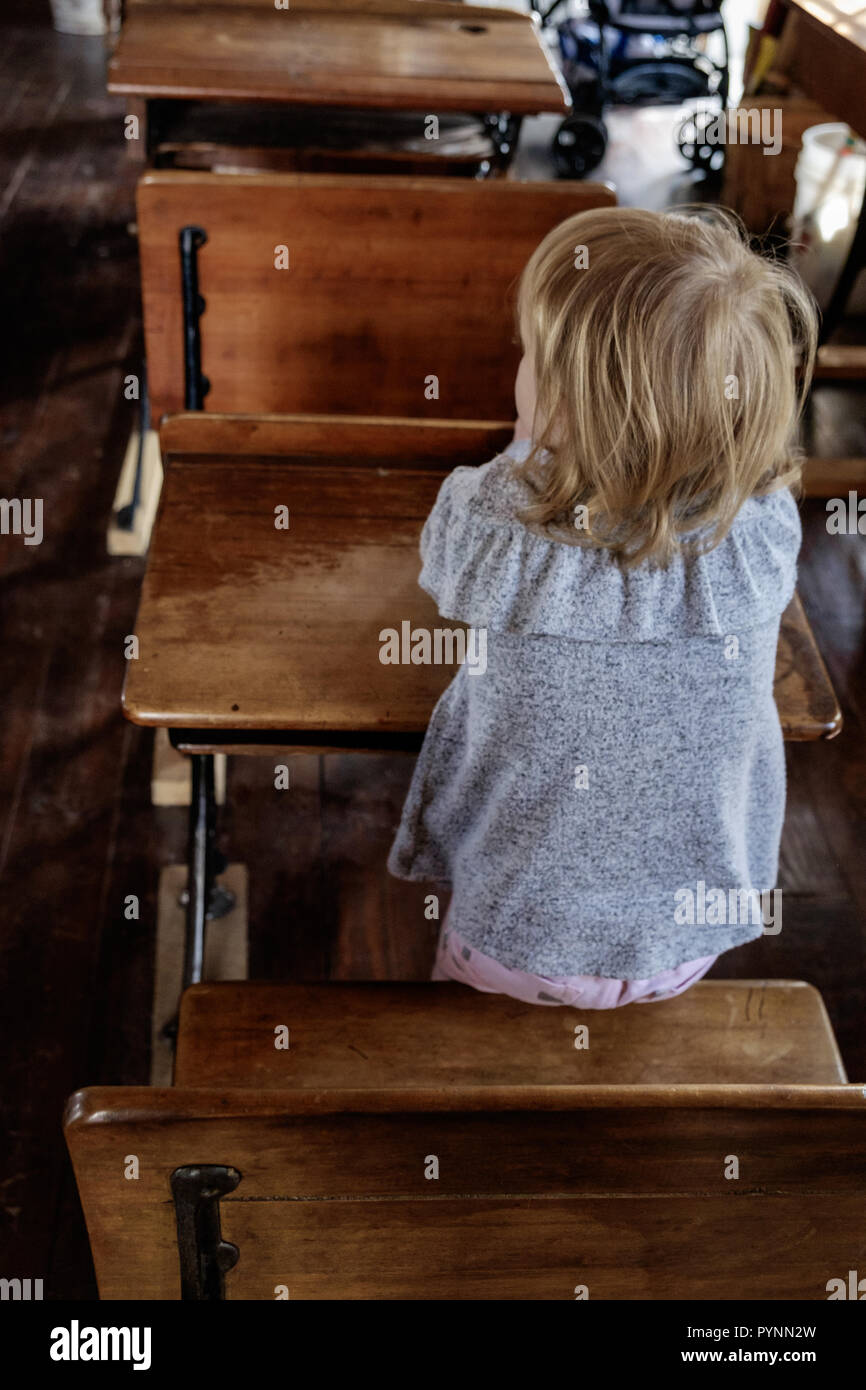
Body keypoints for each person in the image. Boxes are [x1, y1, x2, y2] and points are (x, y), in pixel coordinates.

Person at [388, 206, 817, 1008]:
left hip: (515, 938)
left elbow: (445, 563)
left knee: (468, 1042)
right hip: (685, 942)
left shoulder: (492, 527)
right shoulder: (763, 529)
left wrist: (530, 453)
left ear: (566, 405)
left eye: (532, 359)